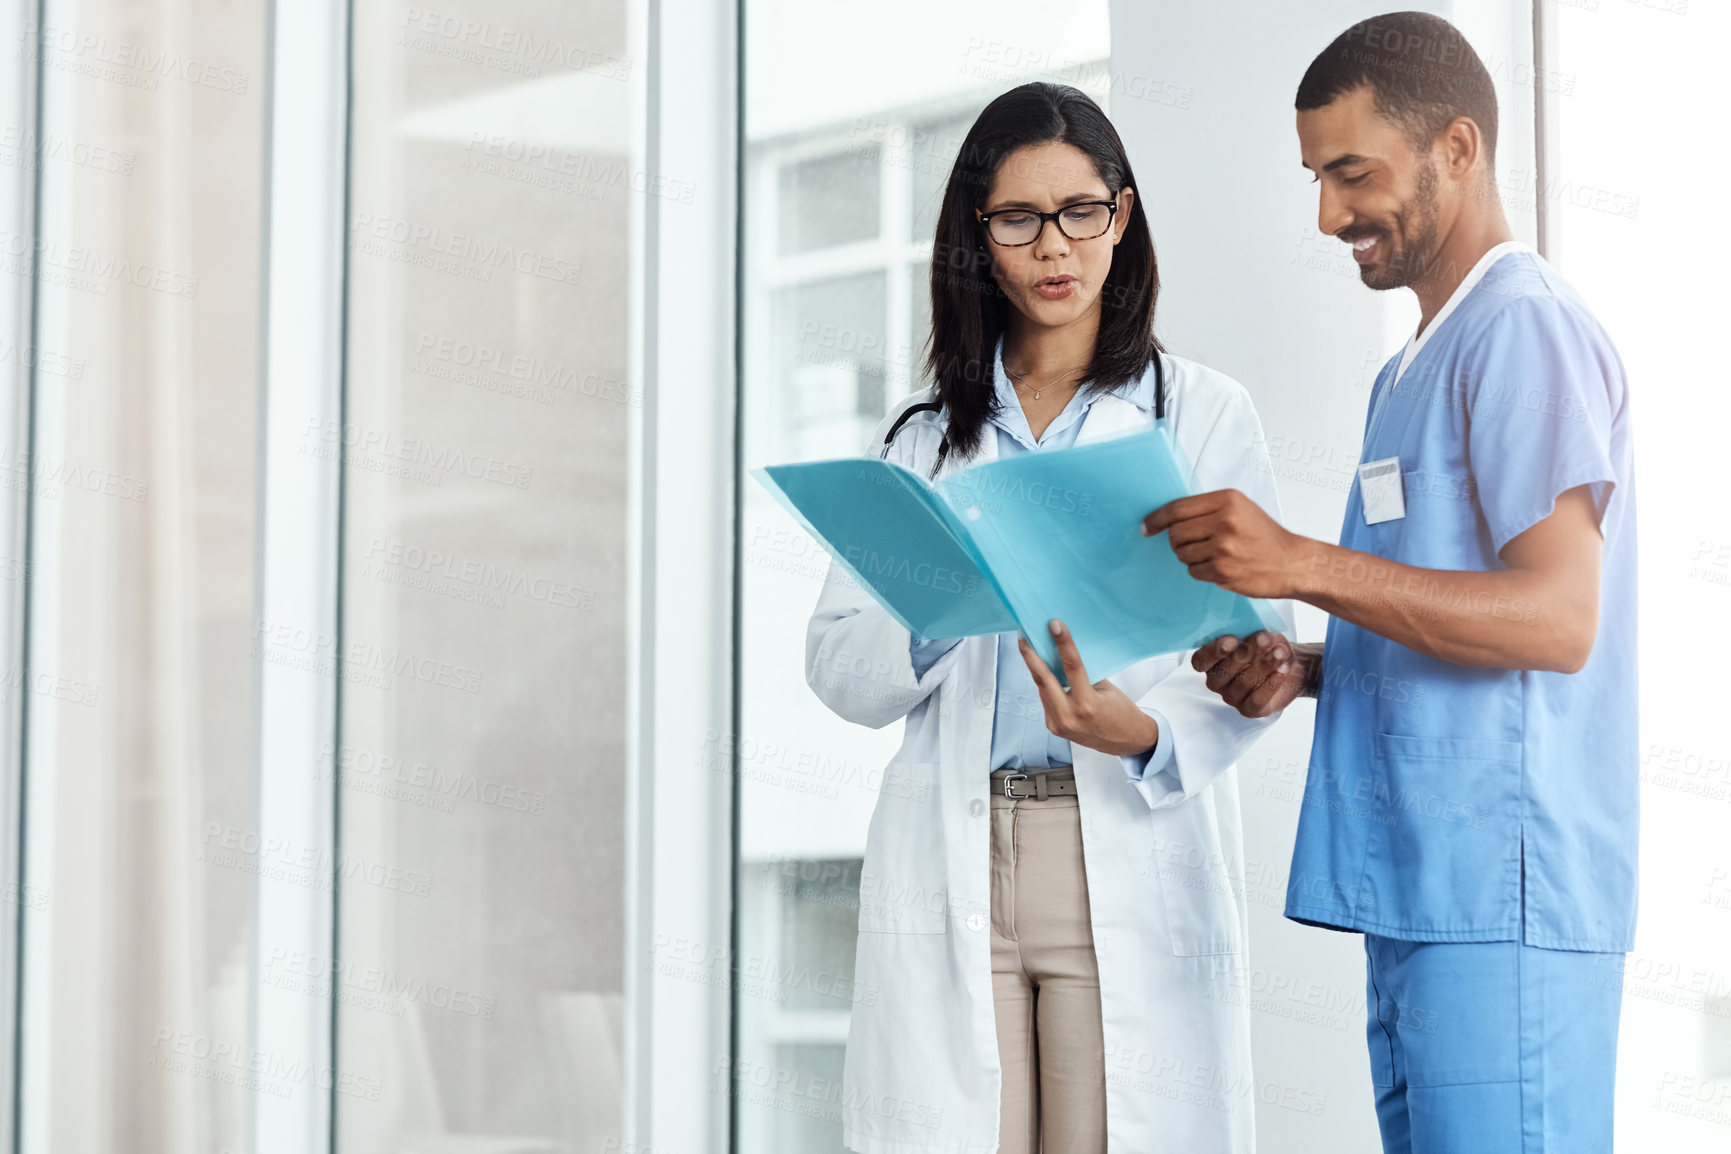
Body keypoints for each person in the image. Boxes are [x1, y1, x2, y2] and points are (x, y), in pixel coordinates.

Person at [1144, 13, 1636, 1154]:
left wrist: (1302, 564)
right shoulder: (1408, 369)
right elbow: (1450, 612)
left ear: (1457, 149)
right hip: (1417, 898)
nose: (1327, 214)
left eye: (1352, 172)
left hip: (1505, 904)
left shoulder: (1523, 331)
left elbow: (1560, 620)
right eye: (1317, 177)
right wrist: (1309, 666)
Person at [805, 82, 1288, 1154]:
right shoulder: (924, 440)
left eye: (1080, 210)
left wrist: (1150, 730)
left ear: (1122, 215)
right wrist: (940, 608)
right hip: (957, 848)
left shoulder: (1201, 413)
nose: (1053, 245)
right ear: (979, 237)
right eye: (1017, 219)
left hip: (1115, 828)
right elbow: (838, 662)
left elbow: (1261, 647)